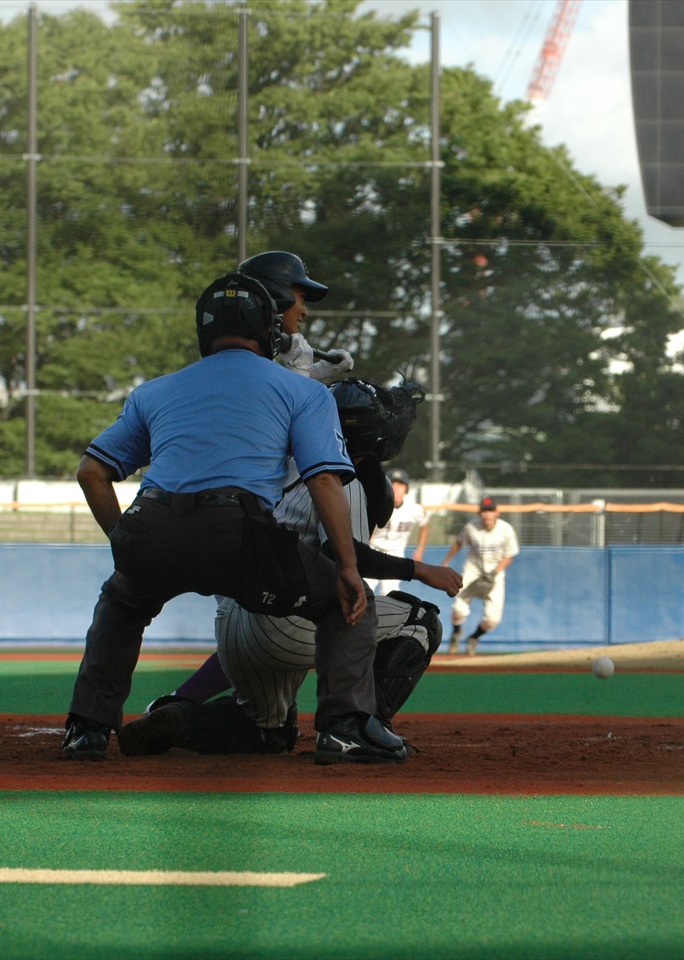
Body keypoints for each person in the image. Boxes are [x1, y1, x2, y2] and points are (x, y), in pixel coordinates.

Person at [62, 272, 404, 765]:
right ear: (269, 329)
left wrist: (124, 540)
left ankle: (87, 730)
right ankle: (344, 730)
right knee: (345, 602)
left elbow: (92, 472)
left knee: (121, 604)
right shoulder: (302, 392)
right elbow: (325, 481)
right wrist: (348, 567)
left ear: (205, 331)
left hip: (151, 522)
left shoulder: (154, 391)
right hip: (238, 532)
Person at [117, 378, 462, 759]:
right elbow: (347, 556)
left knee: (269, 733)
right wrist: (420, 569)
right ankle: (356, 728)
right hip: (293, 616)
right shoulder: (337, 477)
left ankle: (180, 719)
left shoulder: (274, 460)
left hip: (234, 623)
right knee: (419, 619)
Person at [240, 250, 354, 384]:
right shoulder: (245, 349)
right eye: (302, 298)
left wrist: (318, 370)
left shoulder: (248, 347)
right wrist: (300, 372)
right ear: (278, 295)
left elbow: (272, 383)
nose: (305, 312)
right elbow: (283, 397)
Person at [441, 496, 521, 655]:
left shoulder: (506, 529)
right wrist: (446, 562)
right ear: (479, 513)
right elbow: (459, 542)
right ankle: (456, 632)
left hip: (495, 572)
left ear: (497, 512)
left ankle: (474, 637)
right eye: (484, 511)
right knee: (458, 609)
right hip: (473, 569)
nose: (487, 514)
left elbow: (510, 555)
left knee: (493, 619)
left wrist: (495, 572)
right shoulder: (472, 527)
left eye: (490, 510)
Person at [367, 468, 431, 595]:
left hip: (395, 553)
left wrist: (420, 550)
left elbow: (425, 525)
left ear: (406, 488)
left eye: (400, 485)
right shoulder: (376, 505)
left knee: (390, 593)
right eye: (393, 484)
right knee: (366, 590)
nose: (396, 488)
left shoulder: (414, 509)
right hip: (373, 550)